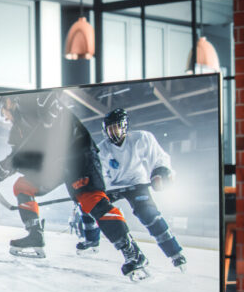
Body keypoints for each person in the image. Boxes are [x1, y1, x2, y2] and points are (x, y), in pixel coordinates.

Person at [0, 94, 150, 281]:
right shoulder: (17, 130)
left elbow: (52, 101)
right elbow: (21, 157)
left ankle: (133, 253)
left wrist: (52, 113)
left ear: (9, 102)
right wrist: (4, 168)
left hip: (78, 153)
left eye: (3, 111)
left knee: (91, 202)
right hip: (54, 164)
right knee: (23, 186)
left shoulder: (30, 102)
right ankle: (35, 235)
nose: (5, 117)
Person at [76, 108, 187, 272]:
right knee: (87, 207)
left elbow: (159, 158)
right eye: (109, 128)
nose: (113, 132)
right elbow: (100, 173)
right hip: (113, 186)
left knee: (149, 215)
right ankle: (91, 240)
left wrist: (159, 173)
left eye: (116, 127)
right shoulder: (102, 149)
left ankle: (175, 253)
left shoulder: (142, 138)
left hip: (137, 184)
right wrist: (95, 188)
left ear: (125, 126)